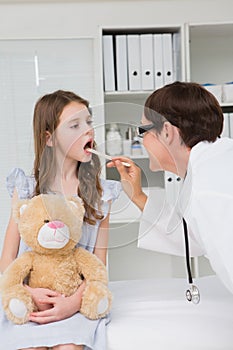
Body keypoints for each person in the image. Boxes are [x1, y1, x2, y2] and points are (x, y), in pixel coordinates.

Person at [0, 90, 121, 350]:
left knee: (69, 347)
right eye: (75, 125)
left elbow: (98, 265)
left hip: (75, 301)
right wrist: (30, 293)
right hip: (31, 300)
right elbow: (7, 260)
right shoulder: (26, 187)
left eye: (89, 122)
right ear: (50, 138)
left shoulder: (102, 194)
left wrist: (74, 303)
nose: (88, 130)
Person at [107, 81, 233, 295]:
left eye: (143, 130)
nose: (143, 141)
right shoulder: (211, 165)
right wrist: (138, 196)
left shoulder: (210, 190)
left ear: (166, 131)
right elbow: (194, 237)